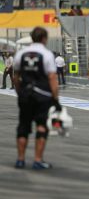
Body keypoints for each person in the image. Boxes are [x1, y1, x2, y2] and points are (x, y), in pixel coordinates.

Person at [13, 27, 62, 170]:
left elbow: (16, 76)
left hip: (25, 95)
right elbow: (52, 77)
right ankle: (37, 160)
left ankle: (20, 159)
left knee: (23, 126)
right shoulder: (47, 54)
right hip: (42, 96)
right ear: (44, 39)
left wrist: (19, 92)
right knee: (41, 126)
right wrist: (55, 98)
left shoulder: (21, 54)